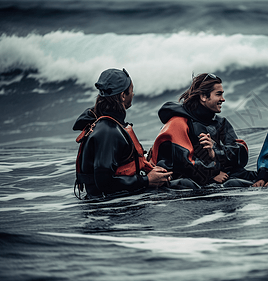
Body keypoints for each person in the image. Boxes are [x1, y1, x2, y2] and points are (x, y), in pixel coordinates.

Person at [73, 68, 172, 199]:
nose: (133, 94)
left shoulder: (107, 125)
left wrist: (151, 172)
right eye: (131, 91)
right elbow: (104, 182)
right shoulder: (107, 132)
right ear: (122, 96)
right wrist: (147, 181)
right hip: (109, 209)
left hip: (112, 203)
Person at [149, 73, 256, 189]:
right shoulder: (178, 122)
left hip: (210, 174)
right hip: (178, 180)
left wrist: (215, 151)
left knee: (257, 178)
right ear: (204, 97)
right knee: (229, 184)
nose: (223, 99)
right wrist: (212, 173)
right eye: (218, 94)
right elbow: (183, 163)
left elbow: (241, 151)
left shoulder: (220, 122)